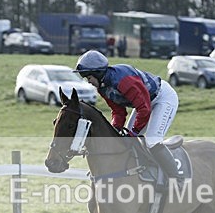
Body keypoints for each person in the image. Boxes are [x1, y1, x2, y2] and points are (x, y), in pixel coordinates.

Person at [74, 50, 182, 181]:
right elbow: (118, 111)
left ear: (97, 73)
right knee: (126, 140)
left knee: (152, 141)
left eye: (89, 78)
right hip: (144, 103)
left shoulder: (124, 81)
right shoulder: (102, 88)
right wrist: (115, 129)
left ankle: (177, 179)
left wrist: (134, 131)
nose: (88, 82)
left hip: (162, 98)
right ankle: (141, 168)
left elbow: (144, 109)